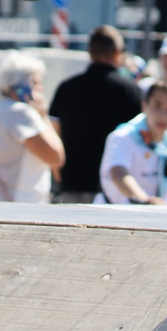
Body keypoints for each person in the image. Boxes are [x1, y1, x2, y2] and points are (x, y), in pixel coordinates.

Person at [46, 25, 141, 204]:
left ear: (89, 52)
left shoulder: (67, 88)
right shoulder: (131, 90)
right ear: (117, 52)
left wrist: (57, 169)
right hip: (115, 186)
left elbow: (53, 131)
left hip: (73, 181)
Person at [0, 53, 63, 203]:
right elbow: (56, 157)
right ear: (20, 87)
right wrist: (44, 117)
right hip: (18, 204)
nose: (41, 89)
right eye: (35, 83)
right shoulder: (21, 113)